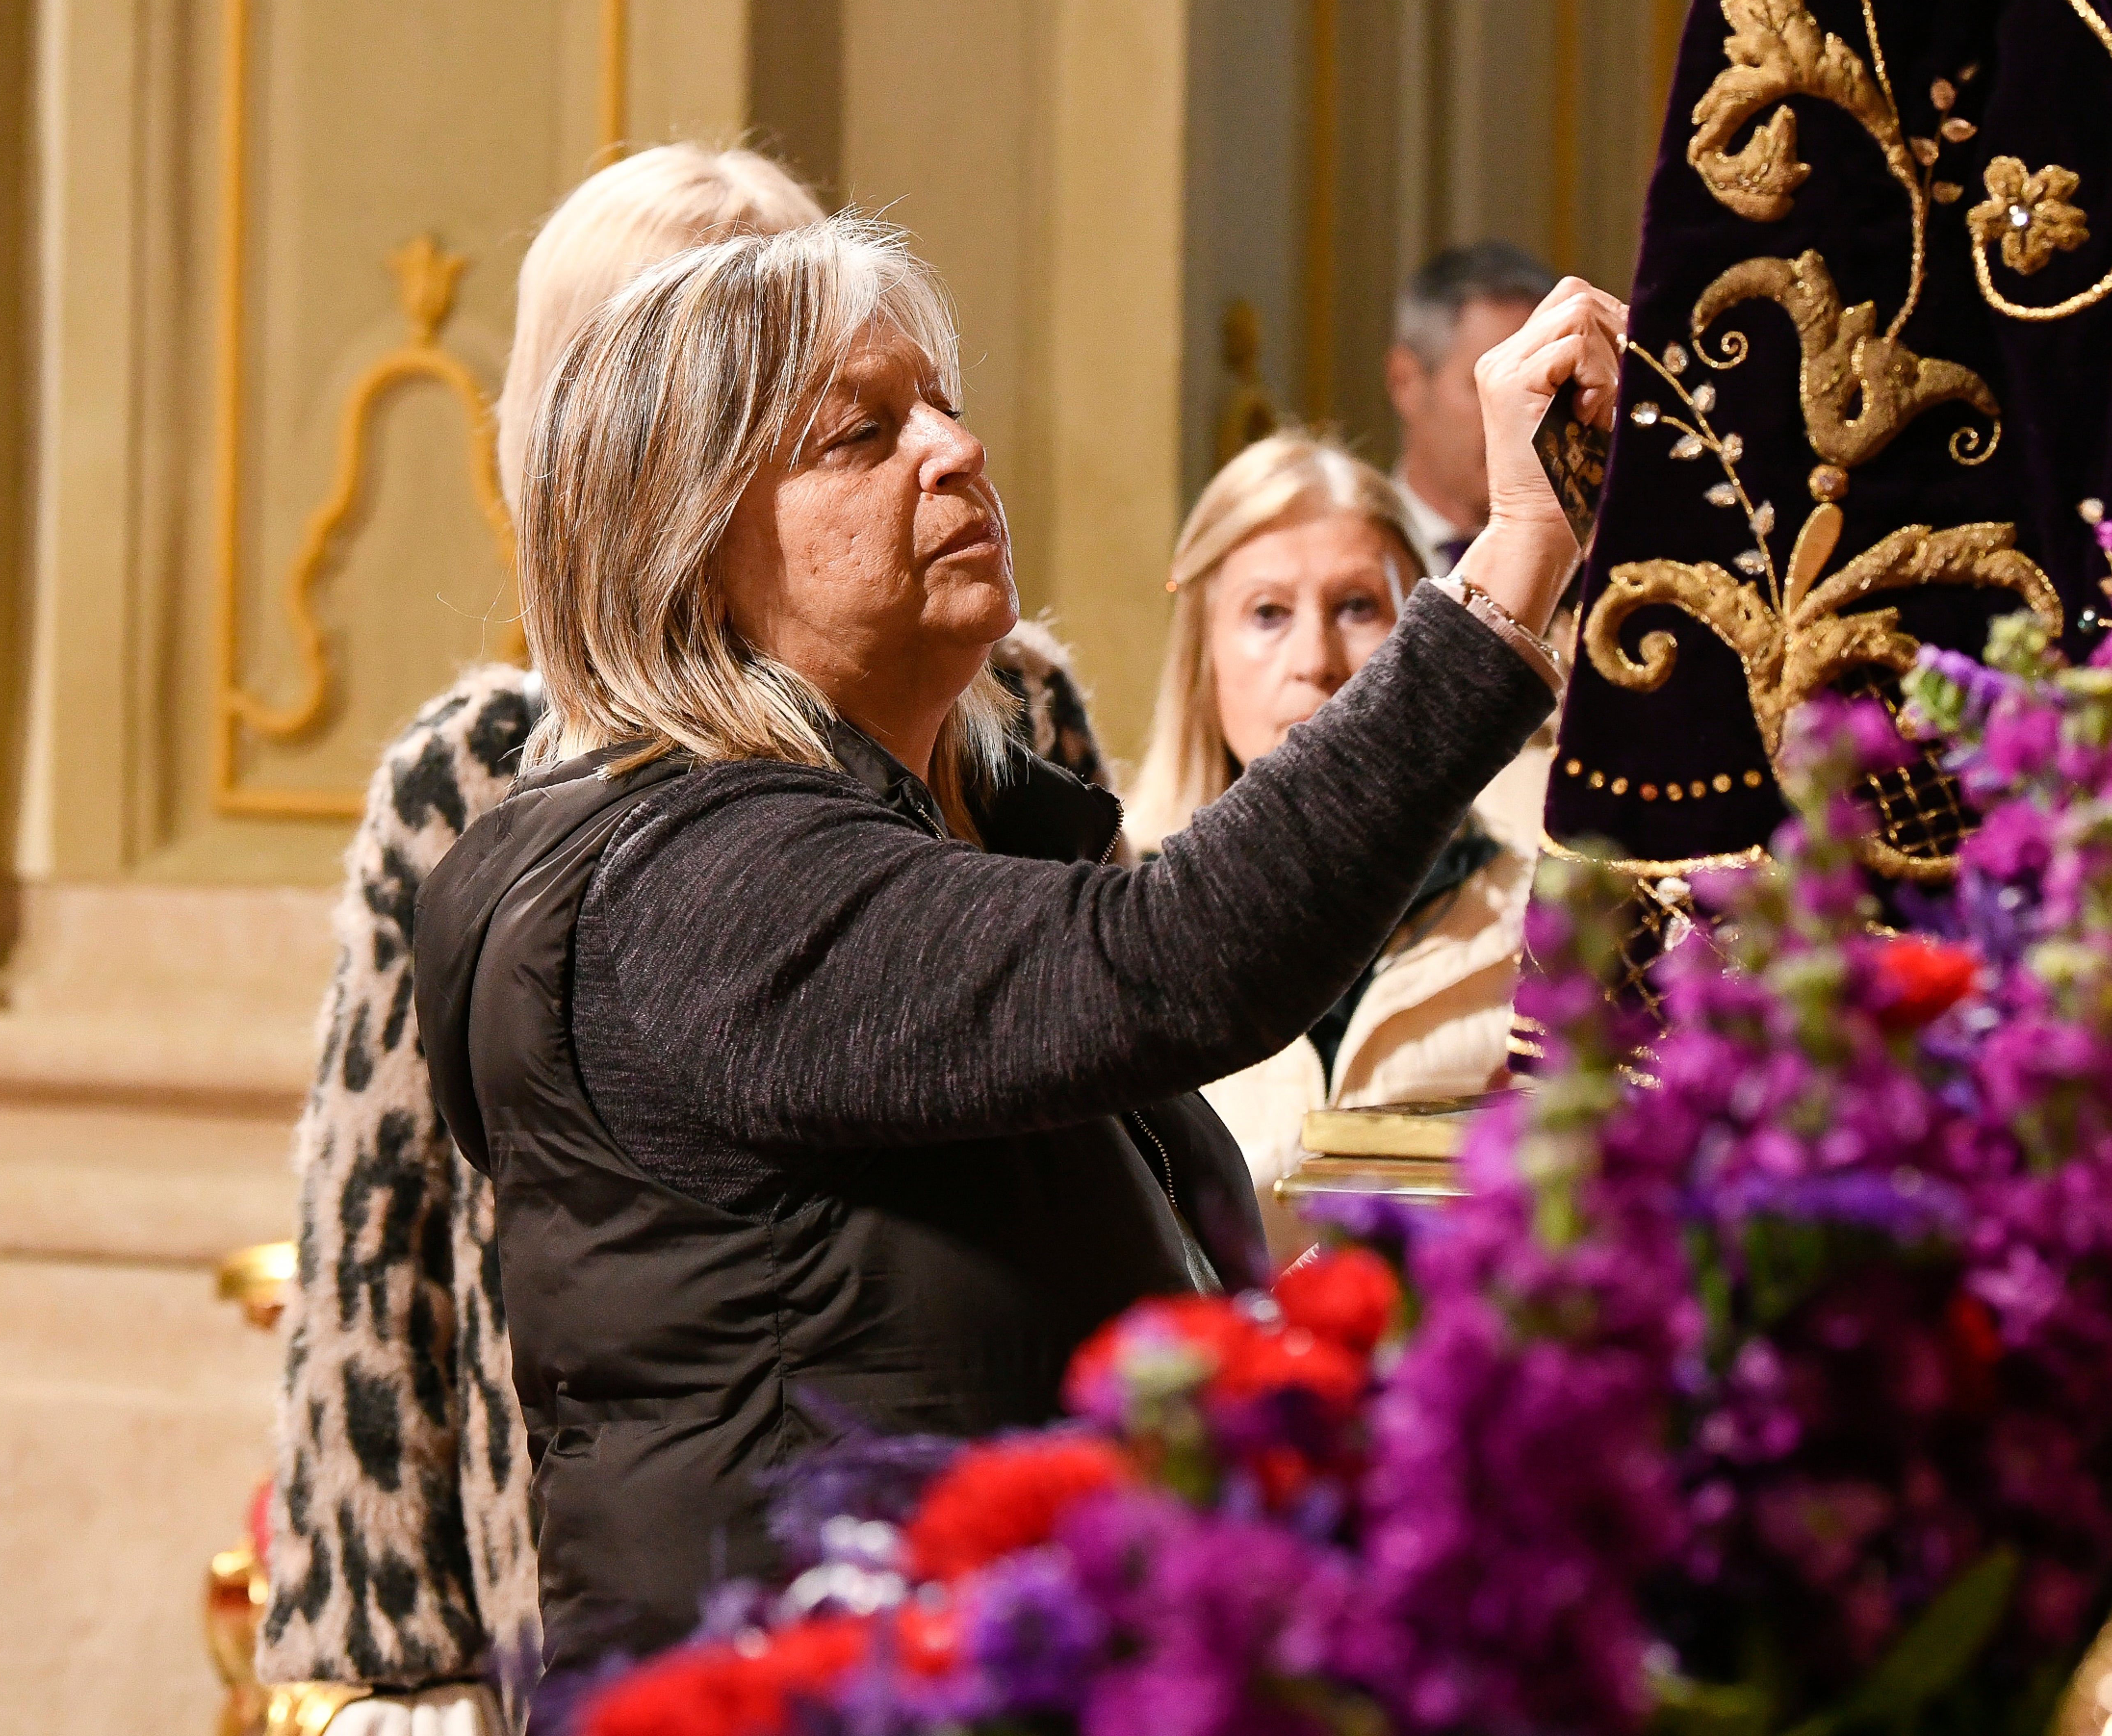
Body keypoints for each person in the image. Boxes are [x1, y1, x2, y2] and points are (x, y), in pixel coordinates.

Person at [414, 213, 1622, 1674]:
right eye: (859, 432)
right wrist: (1511, 559)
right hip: (811, 1690)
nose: (952, 449)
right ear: (686, 538)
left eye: (943, 401)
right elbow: (1179, 959)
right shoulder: (688, 878)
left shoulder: (944, 828)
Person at [259, 144, 1111, 1734]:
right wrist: (377, 1660)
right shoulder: (479, 766)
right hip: (603, 1529)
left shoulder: (1017, 704)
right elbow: (375, 1235)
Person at [1123, 434, 1534, 1263]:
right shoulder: (1110, 921)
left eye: (1356, 608)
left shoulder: (1540, 918)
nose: (1315, 663)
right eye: (1267, 614)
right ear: (1203, 655)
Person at [1385, 238, 1555, 575]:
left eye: (1548, 388)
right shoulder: (1351, 550)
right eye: (1494, 384)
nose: (1532, 416)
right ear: (1405, 381)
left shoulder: (1591, 566)